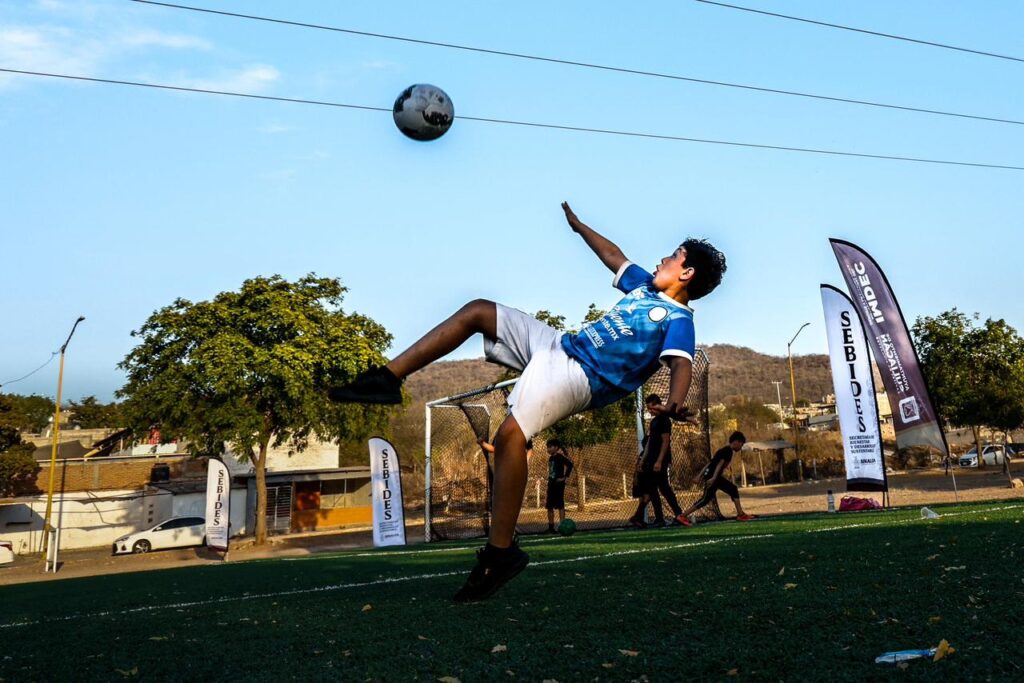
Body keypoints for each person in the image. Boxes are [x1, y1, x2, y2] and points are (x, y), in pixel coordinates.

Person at [329, 202, 727, 601]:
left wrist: (675, 402)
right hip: (558, 345)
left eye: (672, 256)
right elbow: (614, 256)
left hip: (583, 377)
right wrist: (579, 227)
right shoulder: (641, 285)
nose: (662, 258)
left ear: (687, 272)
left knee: (510, 436)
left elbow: (680, 366)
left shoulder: (677, 320)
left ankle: (499, 552)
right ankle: (387, 379)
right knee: (479, 311)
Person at [629, 393, 685, 528]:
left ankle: (676, 514)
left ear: (659, 406)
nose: (651, 411)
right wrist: (643, 460)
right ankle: (667, 516)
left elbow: (666, 441)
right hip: (651, 460)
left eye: (653, 408)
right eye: (649, 409)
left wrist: (659, 461)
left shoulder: (664, 420)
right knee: (656, 489)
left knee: (661, 489)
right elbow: (649, 443)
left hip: (659, 461)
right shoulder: (654, 422)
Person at [676, 431, 755, 525]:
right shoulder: (728, 451)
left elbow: (709, 463)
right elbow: (719, 464)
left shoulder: (724, 450)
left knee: (733, 489)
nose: (741, 447)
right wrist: (713, 477)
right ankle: (682, 516)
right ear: (736, 442)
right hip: (713, 477)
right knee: (705, 499)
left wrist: (699, 476)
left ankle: (740, 514)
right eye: (741, 444)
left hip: (714, 476)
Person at [544, 439, 574, 532]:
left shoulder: (560, 457)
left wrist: (564, 477)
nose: (548, 449)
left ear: (556, 448)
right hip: (551, 484)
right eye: (547, 447)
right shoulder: (551, 458)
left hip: (559, 484)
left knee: (560, 505)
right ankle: (551, 527)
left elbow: (570, 465)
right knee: (549, 506)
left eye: (550, 447)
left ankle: (562, 526)